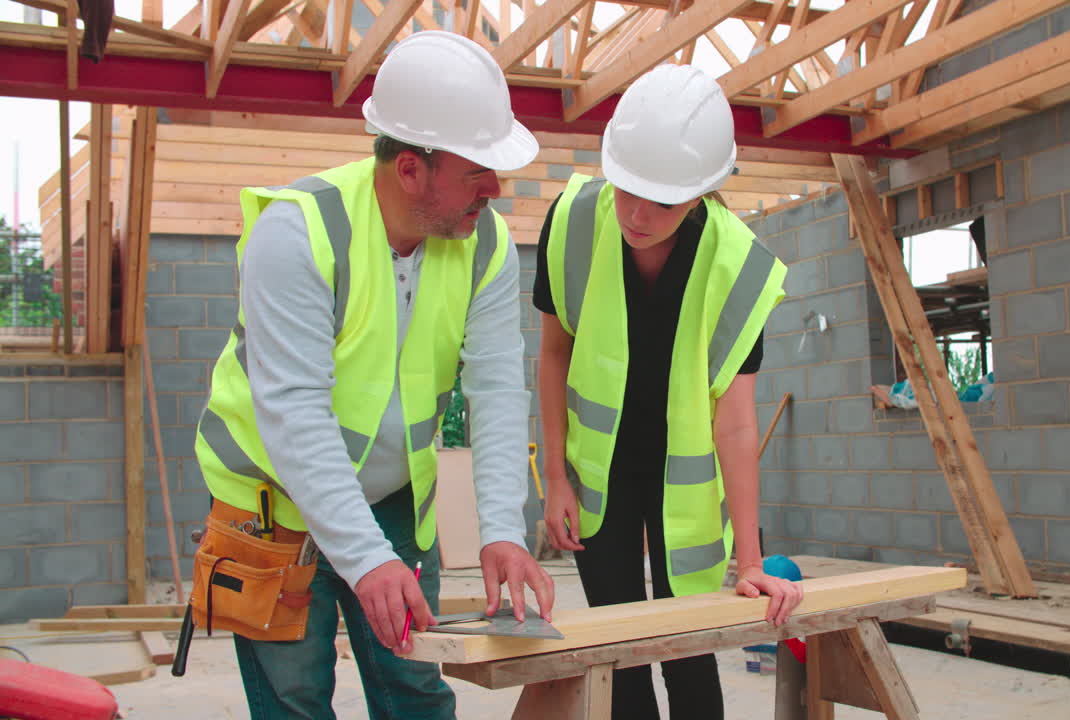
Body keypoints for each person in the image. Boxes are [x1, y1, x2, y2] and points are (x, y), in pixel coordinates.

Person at [193, 31, 553, 720]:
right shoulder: (297, 233)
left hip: (393, 498)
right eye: (478, 167)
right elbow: (294, 411)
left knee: (415, 686)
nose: (495, 187)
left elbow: (499, 391)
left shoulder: (487, 245)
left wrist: (501, 528)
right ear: (411, 170)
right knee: (295, 699)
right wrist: (365, 560)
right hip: (271, 506)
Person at [534, 64, 804, 720]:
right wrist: (556, 480)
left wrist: (751, 559)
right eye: (627, 190)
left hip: (683, 484)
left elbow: (737, 425)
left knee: (689, 650)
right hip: (600, 478)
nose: (635, 214)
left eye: (662, 201)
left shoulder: (736, 266)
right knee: (620, 649)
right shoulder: (572, 224)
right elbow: (552, 354)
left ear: (704, 192)